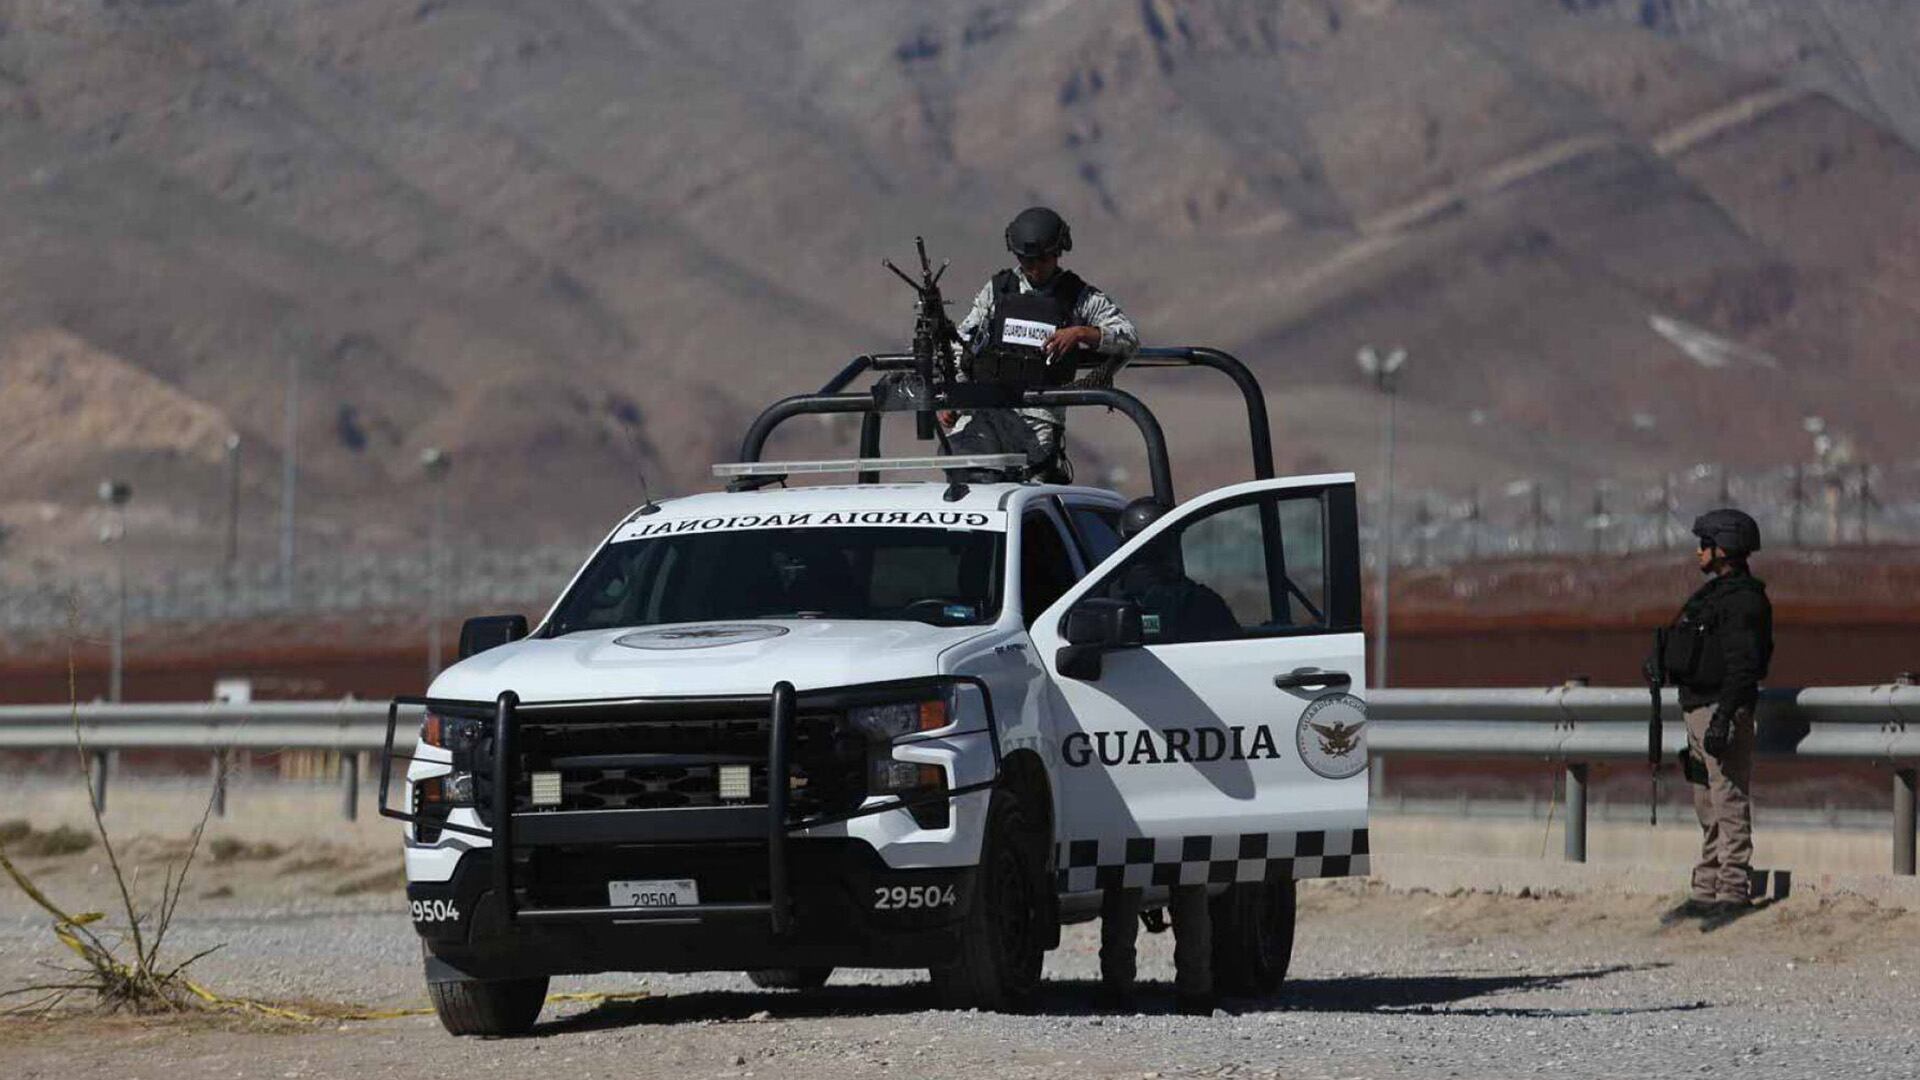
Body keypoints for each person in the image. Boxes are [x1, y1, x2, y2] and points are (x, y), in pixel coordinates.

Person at [1095, 497, 1224, 1015]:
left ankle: (1116, 986)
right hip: (1190, 756)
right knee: (1187, 878)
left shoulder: (1100, 603)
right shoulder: (1201, 603)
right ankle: (1195, 988)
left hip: (1125, 754)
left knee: (1124, 877)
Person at [946, 206, 1138, 481]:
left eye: (1042, 260)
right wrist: (956, 396)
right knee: (967, 484)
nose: (1034, 269)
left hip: (1038, 419)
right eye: (1026, 260)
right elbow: (962, 343)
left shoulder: (1077, 296)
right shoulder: (999, 290)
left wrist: (1081, 333)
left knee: (1029, 499)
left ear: (1058, 253)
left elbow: (1129, 337)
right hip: (985, 410)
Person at [1656, 508, 1774, 926]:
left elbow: (1745, 665)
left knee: (1728, 800)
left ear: (1724, 548)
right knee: (1706, 803)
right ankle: (1706, 890)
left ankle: (1733, 890)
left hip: (1721, 710)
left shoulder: (1743, 600)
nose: (1699, 551)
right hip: (1696, 708)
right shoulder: (1712, 596)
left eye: (1705, 544)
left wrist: (1726, 716)